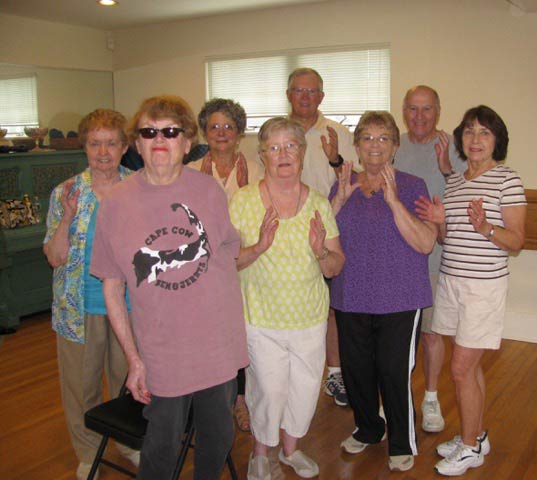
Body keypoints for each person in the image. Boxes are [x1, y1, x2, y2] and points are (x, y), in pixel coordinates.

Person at [90, 95, 249, 480]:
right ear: (137, 143)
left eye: (170, 131)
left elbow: (228, 247)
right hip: (161, 348)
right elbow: (112, 289)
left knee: (217, 433)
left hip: (217, 342)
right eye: (149, 132)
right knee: (161, 443)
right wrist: (134, 358)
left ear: (186, 141)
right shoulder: (115, 205)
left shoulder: (210, 191)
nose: (159, 139)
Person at [230, 117, 345, 479]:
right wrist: (259, 247)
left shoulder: (318, 205)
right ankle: (260, 455)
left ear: (302, 152)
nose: (283, 154)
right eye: (274, 147)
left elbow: (335, 267)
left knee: (306, 390)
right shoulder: (243, 201)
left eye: (291, 146)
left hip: (309, 320)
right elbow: (227, 262)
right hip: (260, 319)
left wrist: (321, 252)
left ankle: (291, 450)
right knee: (268, 391)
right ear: (262, 155)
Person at [415, 105, 526, 476]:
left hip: (483, 288)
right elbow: (449, 239)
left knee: (461, 369)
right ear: (461, 139)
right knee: (468, 366)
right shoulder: (457, 181)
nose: (475, 140)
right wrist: (439, 222)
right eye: (469, 132)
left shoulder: (507, 179)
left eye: (485, 133)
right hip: (451, 281)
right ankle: (475, 435)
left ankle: (469, 447)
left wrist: (486, 229)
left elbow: (516, 242)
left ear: (497, 141)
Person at [330, 111, 437, 472]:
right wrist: (340, 200)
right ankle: (368, 428)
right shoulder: (342, 183)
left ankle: (402, 440)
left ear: (394, 146)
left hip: (400, 297)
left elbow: (425, 243)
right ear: (357, 146)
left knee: (393, 371)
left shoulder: (412, 185)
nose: (375, 145)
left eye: (383, 138)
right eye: (367, 138)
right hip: (351, 293)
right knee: (356, 370)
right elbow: (324, 238)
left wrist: (393, 201)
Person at [43, 108, 137, 480]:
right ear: (84, 147)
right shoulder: (66, 191)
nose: (103, 152)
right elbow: (54, 257)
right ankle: (88, 452)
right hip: (79, 308)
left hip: (130, 307)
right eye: (95, 144)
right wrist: (67, 216)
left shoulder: (140, 188)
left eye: (111, 143)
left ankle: (129, 443)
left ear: (124, 146)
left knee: (127, 381)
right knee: (81, 386)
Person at [191, 97, 265, 432]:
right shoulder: (189, 172)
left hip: (249, 265)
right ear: (204, 132)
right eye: (214, 127)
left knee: (242, 336)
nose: (221, 133)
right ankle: (209, 401)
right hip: (205, 272)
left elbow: (265, 212)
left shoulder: (257, 168)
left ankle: (241, 400)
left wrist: (249, 188)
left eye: (228, 127)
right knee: (208, 336)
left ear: (239, 133)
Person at [395, 85, 465, 433]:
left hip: (438, 255)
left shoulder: (454, 147)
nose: (419, 116)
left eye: (426, 109)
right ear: (403, 111)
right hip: (397, 255)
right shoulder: (393, 145)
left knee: (432, 333)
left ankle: (432, 397)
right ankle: (393, 398)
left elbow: (470, 193)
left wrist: (448, 170)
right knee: (393, 334)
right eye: (412, 109)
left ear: (438, 111)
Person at [287, 67, 359, 407]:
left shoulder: (339, 133)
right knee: (288, 306)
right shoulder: (277, 132)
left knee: (330, 309)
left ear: (321, 96)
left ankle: (334, 374)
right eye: (299, 90)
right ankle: (288, 374)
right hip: (284, 234)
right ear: (289, 95)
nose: (305, 96)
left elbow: (358, 178)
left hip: (328, 233)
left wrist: (336, 159)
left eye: (311, 91)